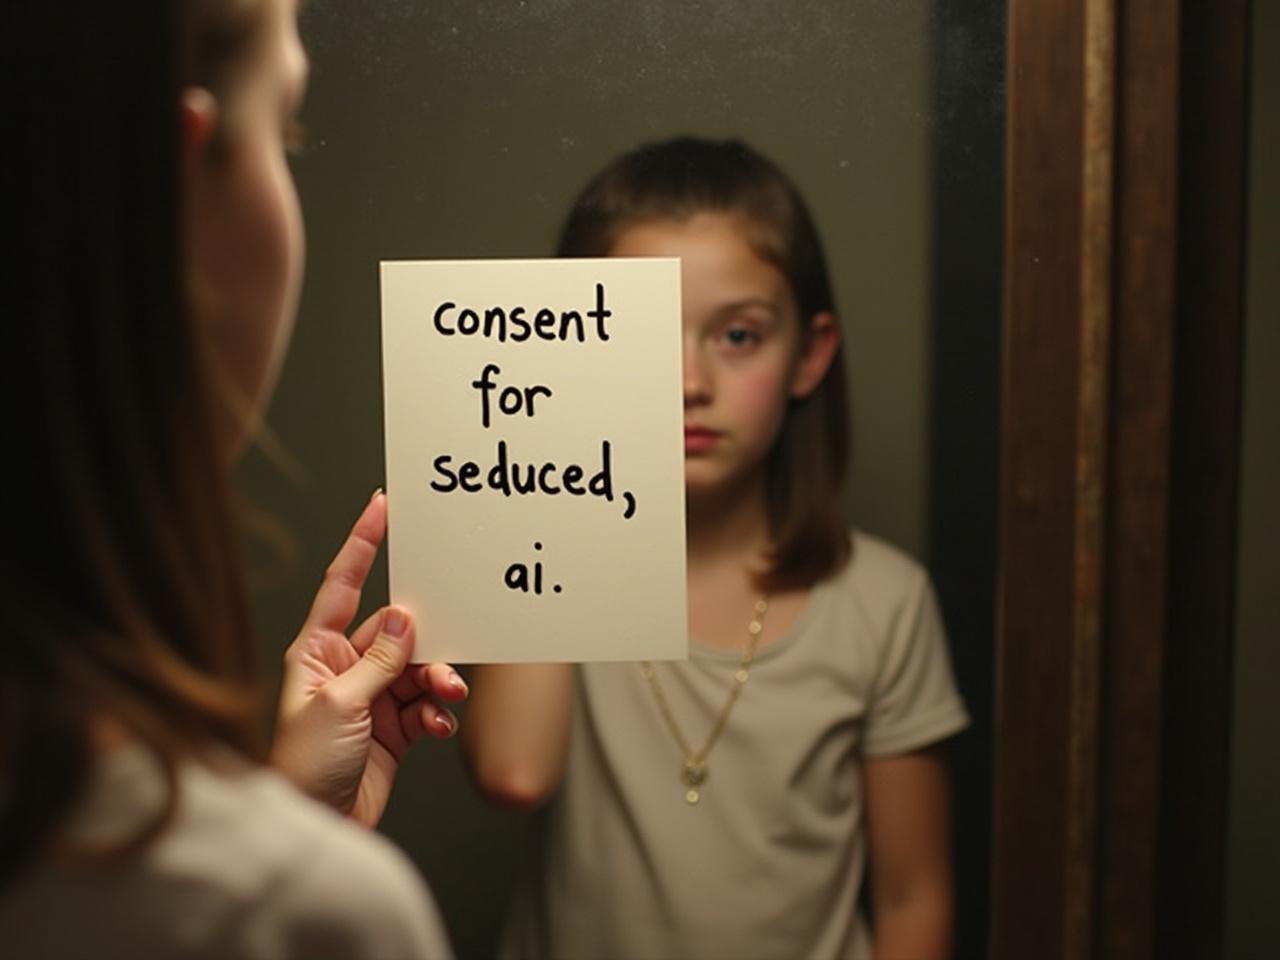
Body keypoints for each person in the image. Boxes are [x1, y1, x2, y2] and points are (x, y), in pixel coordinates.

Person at [1, 1, 464, 956]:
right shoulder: (309, 916)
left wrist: (289, 816)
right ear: (172, 188)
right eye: (284, 127)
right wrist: (281, 874)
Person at [463, 137, 969, 960]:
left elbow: (914, 896)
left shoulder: (884, 601)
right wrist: (558, 433)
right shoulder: (550, 569)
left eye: (737, 336)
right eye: (637, 334)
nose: (689, 380)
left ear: (809, 353)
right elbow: (513, 770)